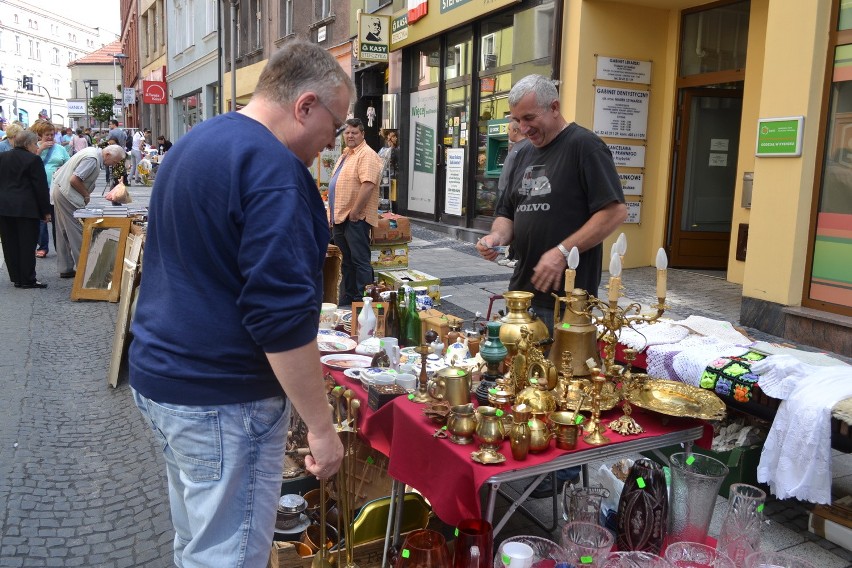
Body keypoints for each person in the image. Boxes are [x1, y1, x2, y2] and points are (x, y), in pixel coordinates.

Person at [128, 39, 350, 567]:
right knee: (226, 555)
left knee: (197, 542)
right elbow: (279, 316)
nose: (333, 142)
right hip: (221, 396)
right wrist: (321, 429)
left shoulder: (195, 142)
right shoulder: (274, 170)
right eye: (335, 126)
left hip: (164, 378)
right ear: (305, 106)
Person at [477, 74, 627, 330]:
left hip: (568, 300)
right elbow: (507, 212)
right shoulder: (522, 152)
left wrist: (562, 252)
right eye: (517, 120)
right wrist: (496, 238)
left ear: (554, 108)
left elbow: (614, 212)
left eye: (529, 118)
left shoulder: (585, 146)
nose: (523, 128)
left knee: (561, 370)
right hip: (522, 293)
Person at [328, 118, 383, 305]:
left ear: (362, 135)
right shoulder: (347, 154)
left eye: (354, 132)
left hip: (355, 218)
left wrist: (355, 212)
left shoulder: (367, 154)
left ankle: (364, 302)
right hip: (340, 217)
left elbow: (368, 185)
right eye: (347, 133)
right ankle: (349, 299)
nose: (350, 136)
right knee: (347, 261)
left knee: (359, 261)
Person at [52, 145, 126, 278]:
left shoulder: (92, 153)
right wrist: (86, 194)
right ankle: (87, 271)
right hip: (67, 194)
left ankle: (66, 267)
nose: (113, 165)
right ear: (107, 154)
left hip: (61, 190)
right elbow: (74, 180)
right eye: (114, 162)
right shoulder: (92, 159)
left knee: (63, 230)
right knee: (76, 232)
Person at [0, 130, 52, 288]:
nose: (36, 146)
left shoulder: (2, 157)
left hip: (4, 207)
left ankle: (16, 277)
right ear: (28, 144)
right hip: (26, 208)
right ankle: (28, 279)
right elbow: (40, 187)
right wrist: (46, 211)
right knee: (27, 244)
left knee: (10, 244)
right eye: (35, 143)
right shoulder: (33, 160)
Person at [31, 120, 70, 259]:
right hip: (38, 189)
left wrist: (62, 169)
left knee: (56, 220)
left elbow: (68, 163)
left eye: (52, 135)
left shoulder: (60, 148)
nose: (50, 138)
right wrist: (40, 149)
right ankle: (42, 246)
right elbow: (29, 163)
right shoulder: (33, 148)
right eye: (47, 135)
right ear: (39, 135)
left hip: (56, 188)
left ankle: (60, 247)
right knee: (41, 219)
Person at [496, 121, 530, 268]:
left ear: (516, 131)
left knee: (517, 226)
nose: (507, 132)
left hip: (514, 194)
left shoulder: (525, 147)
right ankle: (510, 254)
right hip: (505, 192)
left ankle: (517, 257)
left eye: (509, 129)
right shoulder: (515, 147)